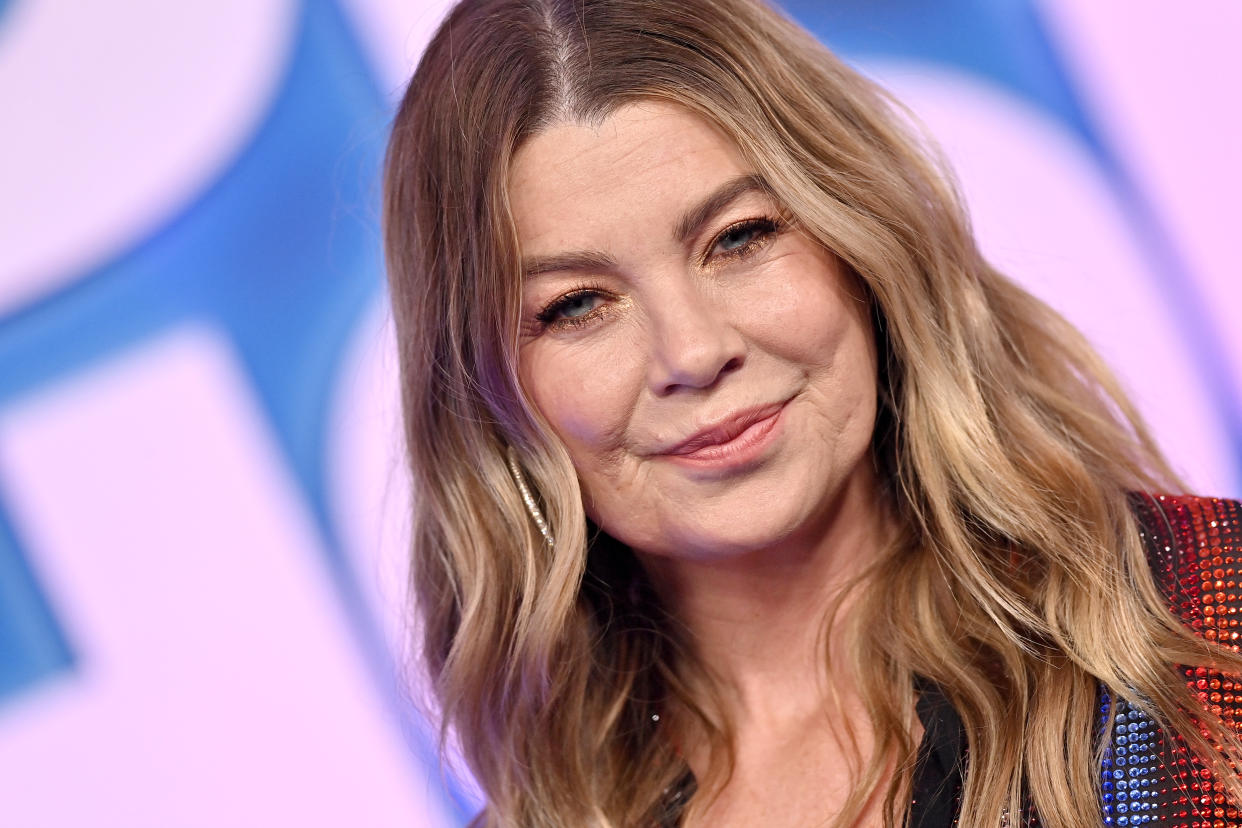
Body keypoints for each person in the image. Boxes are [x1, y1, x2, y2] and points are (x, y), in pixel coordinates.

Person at [381, 0, 1242, 825]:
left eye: (740, 237)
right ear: (487, 391)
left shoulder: (1209, 616)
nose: (691, 352)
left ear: (860, 239)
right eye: (577, 306)